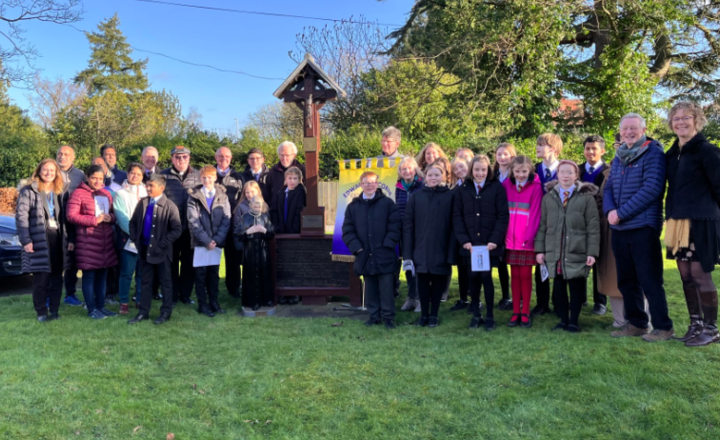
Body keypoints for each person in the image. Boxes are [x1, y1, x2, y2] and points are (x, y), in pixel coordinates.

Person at [604, 112, 674, 342]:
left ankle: (663, 327)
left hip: (643, 226)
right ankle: (637, 323)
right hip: (620, 229)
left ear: (643, 130)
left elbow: (652, 188)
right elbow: (609, 188)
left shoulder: (653, 152)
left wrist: (621, 213)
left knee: (649, 279)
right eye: (625, 129)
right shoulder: (619, 155)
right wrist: (610, 211)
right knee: (626, 279)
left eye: (633, 128)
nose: (628, 132)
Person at [664, 102, 720, 346]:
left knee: (700, 274)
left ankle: (711, 329)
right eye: (676, 118)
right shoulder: (672, 153)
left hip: (702, 221)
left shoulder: (707, 150)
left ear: (697, 120)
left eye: (686, 117)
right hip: (677, 221)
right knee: (685, 275)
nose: (681, 122)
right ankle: (695, 325)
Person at [535, 160, 600, 333]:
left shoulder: (586, 198)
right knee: (558, 287)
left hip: (576, 250)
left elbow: (593, 227)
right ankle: (563, 320)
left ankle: (573, 321)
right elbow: (543, 226)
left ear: (576, 175)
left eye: (569, 172)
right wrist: (540, 250)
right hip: (555, 250)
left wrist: (592, 252)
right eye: (562, 172)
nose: (565, 176)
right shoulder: (549, 198)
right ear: (557, 174)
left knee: (576, 286)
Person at [453, 155, 509, 330]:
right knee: (473, 278)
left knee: (486, 278)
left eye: (483, 170)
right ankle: (476, 315)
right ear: (471, 170)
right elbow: (457, 217)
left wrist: (494, 240)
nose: (480, 173)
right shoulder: (463, 189)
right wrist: (464, 240)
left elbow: (502, 216)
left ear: (488, 170)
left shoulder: (496, 188)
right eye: (476, 170)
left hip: (489, 244)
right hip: (470, 245)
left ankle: (490, 316)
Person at [342, 172, 401, 329]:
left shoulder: (388, 204)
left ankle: (388, 317)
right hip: (364, 254)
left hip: (384, 253)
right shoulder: (353, 207)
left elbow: (395, 226)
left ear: (377, 184)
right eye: (366, 182)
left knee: (387, 287)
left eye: (372, 182)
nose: (369, 185)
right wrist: (357, 248)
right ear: (361, 184)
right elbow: (347, 230)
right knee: (371, 287)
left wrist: (388, 244)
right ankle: (374, 316)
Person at [403, 162, 456, 328]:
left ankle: (434, 315)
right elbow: (408, 225)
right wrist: (408, 254)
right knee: (423, 284)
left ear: (444, 177)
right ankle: (424, 315)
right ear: (425, 177)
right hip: (421, 249)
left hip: (441, 248)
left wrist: (451, 252)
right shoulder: (416, 197)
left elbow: (455, 225)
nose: (433, 178)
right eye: (430, 175)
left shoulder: (450, 196)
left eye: (437, 175)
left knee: (438, 284)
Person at [16, 159, 68, 322]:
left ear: (56, 173)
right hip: (39, 239)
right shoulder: (29, 191)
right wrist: (25, 240)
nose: (49, 173)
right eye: (45, 170)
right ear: (39, 171)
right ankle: (41, 312)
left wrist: (70, 239)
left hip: (57, 239)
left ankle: (54, 310)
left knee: (57, 277)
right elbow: (21, 217)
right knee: (41, 279)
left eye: (52, 171)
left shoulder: (59, 191)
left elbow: (65, 218)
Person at [127, 174, 182, 325]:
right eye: (147, 185)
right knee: (145, 281)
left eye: (152, 186)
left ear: (162, 188)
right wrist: (135, 238)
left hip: (162, 252)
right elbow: (133, 223)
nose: (148, 188)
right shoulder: (143, 203)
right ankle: (143, 312)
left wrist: (162, 243)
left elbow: (177, 229)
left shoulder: (170, 206)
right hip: (144, 249)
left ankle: (165, 312)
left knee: (165, 281)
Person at [66, 164, 119, 319]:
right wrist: (94, 220)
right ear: (87, 178)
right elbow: (71, 216)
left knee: (102, 276)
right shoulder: (78, 194)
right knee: (89, 277)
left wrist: (111, 218)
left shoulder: (106, 194)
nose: (97, 181)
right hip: (87, 241)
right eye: (94, 178)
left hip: (105, 241)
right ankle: (91, 309)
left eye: (100, 178)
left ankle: (101, 307)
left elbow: (113, 214)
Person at [503, 155, 542, 328]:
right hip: (510, 240)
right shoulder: (505, 185)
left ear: (530, 171)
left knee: (526, 275)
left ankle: (525, 310)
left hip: (527, 239)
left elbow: (535, 215)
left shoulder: (536, 187)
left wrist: (529, 237)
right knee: (515, 275)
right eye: (517, 171)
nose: (520, 175)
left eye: (524, 171)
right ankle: (515, 311)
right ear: (512, 170)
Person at [187, 166, 232, 317]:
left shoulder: (223, 196)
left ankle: (214, 302)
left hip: (216, 244)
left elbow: (227, 219)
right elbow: (193, 221)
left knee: (213, 275)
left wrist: (216, 240)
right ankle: (202, 304)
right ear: (200, 178)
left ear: (215, 178)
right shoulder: (193, 196)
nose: (207, 180)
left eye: (210, 177)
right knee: (200, 275)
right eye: (204, 177)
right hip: (201, 243)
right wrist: (207, 241)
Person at [160, 146, 201, 305]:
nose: (181, 160)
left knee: (188, 264)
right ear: (172, 159)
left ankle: (185, 294)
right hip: (170, 228)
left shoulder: (198, 176)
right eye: (177, 157)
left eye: (184, 157)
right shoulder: (162, 175)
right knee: (170, 264)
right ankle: (172, 295)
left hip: (191, 229)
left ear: (189, 158)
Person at [532, 133, 563, 318]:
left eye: (541, 144)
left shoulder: (566, 169)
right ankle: (542, 303)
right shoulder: (534, 170)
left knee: (559, 262)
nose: (537, 147)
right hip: (538, 222)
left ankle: (559, 302)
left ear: (552, 148)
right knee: (540, 261)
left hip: (559, 223)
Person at [113, 163, 148, 314]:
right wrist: (135, 234)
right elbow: (121, 217)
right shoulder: (120, 193)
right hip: (129, 238)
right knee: (127, 273)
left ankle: (140, 299)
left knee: (142, 272)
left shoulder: (147, 192)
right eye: (133, 173)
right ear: (127, 174)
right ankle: (124, 302)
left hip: (145, 239)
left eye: (139, 174)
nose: (135, 176)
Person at [270, 166, 306, 305]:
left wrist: (296, 229)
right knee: (282, 264)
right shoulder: (280, 193)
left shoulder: (301, 192)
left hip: (294, 233)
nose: (292, 181)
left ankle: (294, 293)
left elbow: (301, 211)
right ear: (285, 179)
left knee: (294, 263)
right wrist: (276, 227)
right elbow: (274, 211)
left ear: (300, 180)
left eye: (295, 178)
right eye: (289, 178)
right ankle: (283, 292)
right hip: (281, 232)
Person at [214, 147, 245, 300]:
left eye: (227, 156)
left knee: (233, 259)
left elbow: (243, 200)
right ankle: (211, 289)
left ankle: (233, 289)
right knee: (212, 258)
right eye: (220, 156)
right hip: (213, 225)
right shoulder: (208, 175)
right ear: (215, 157)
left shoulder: (238, 177)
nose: (223, 159)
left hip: (232, 224)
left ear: (231, 158)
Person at [56, 145, 85, 307]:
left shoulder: (80, 175)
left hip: (72, 224)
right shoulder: (49, 171)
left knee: (71, 262)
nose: (62, 156)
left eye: (66, 154)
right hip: (52, 223)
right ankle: (50, 295)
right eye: (60, 153)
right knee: (54, 262)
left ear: (73, 157)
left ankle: (70, 294)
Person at [236, 196, 275, 311]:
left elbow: (271, 234)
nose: (257, 208)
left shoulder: (265, 217)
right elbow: (237, 234)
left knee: (265, 275)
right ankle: (253, 301)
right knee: (251, 276)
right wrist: (248, 231)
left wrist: (265, 231)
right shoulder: (245, 218)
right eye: (255, 206)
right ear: (250, 206)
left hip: (263, 252)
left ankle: (266, 299)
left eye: (259, 206)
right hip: (250, 252)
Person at [396, 157, 424, 313]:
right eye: (403, 169)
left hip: (419, 231)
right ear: (400, 172)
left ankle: (421, 298)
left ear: (415, 170)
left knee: (419, 265)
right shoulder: (398, 188)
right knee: (408, 264)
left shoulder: (422, 186)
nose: (407, 171)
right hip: (403, 232)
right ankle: (411, 297)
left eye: (409, 168)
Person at [493, 142, 517, 311]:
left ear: (512, 156)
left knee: (515, 261)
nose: (502, 157)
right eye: (499, 154)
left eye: (505, 154)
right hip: (497, 221)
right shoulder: (492, 175)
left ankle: (518, 297)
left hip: (515, 221)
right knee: (500, 261)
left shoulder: (517, 175)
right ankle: (505, 296)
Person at [448, 156, 473, 313]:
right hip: (459, 234)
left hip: (475, 234)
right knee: (462, 268)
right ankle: (463, 298)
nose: (459, 170)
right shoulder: (454, 189)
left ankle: (475, 299)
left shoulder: (476, 186)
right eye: (456, 168)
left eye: (462, 167)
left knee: (474, 269)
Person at [265, 141, 306, 206]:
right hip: (277, 213)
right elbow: (267, 194)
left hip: (297, 212)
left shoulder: (303, 170)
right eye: (282, 155)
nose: (284, 158)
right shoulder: (272, 171)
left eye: (287, 155)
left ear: (294, 155)